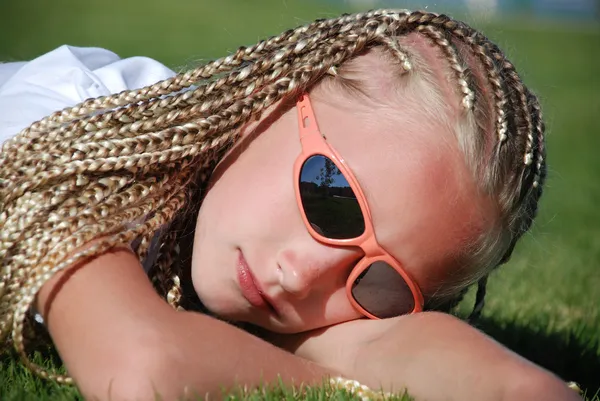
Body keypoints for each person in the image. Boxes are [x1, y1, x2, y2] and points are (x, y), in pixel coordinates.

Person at [0, 9, 580, 401]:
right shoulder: (76, 124)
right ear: (274, 100)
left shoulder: (271, 266)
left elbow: (394, 346)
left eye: (377, 284)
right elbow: (140, 364)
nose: (305, 274)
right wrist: (332, 378)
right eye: (330, 199)